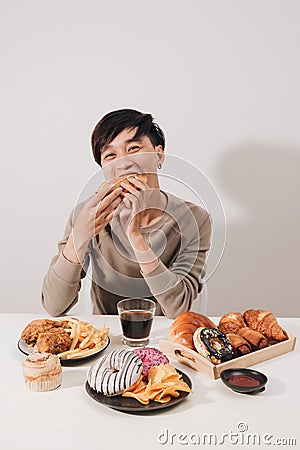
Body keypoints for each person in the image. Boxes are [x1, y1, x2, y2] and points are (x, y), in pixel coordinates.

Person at [41, 109, 212, 318]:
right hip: (106, 339)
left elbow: (178, 309)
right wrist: (80, 234)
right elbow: (53, 306)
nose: (123, 163)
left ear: (159, 154)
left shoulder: (195, 219)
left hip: (164, 336)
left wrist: (137, 238)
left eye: (133, 148)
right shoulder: (88, 215)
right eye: (111, 155)